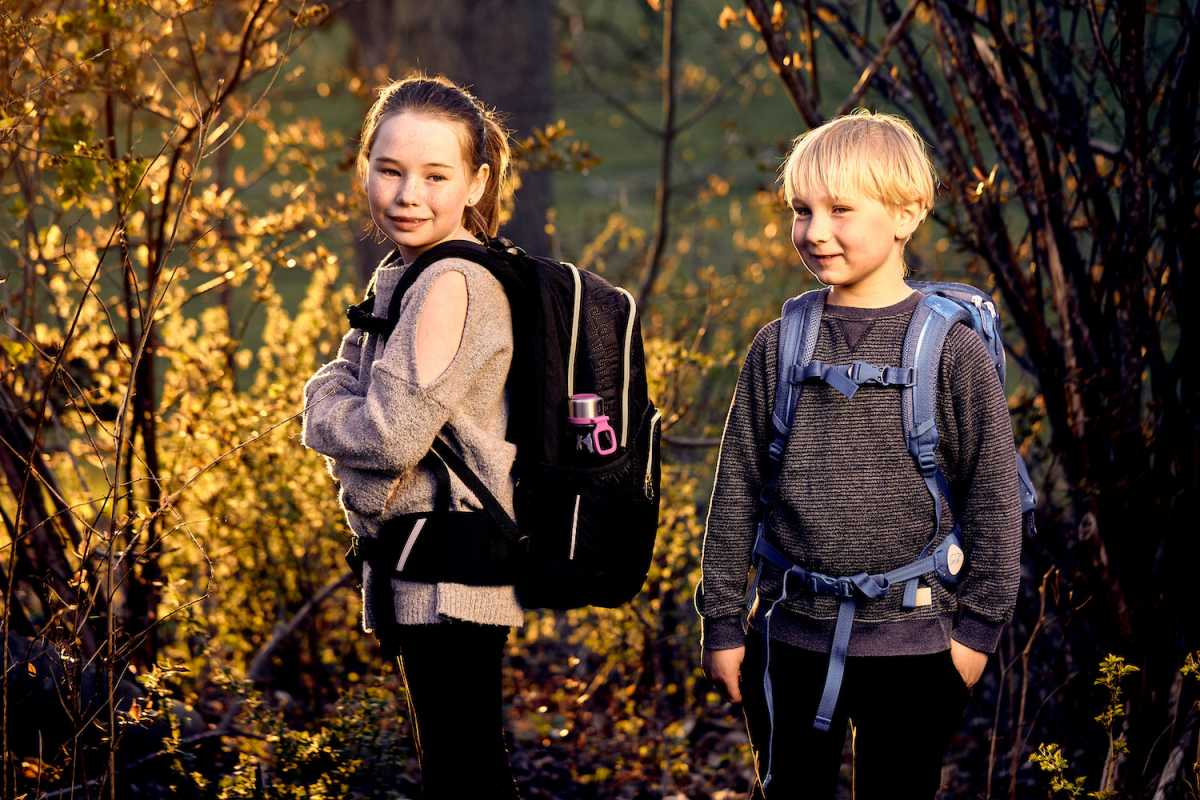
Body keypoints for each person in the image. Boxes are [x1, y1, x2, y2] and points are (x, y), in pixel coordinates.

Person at [696, 110, 1022, 798]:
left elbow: (993, 498)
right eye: (801, 209)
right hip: (791, 639)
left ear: (906, 214)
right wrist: (724, 621)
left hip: (919, 647)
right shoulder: (778, 345)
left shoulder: (952, 353)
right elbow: (737, 490)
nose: (815, 231)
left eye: (841, 209)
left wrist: (975, 636)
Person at [301, 74, 522, 799]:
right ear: (364, 164)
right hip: (430, 566)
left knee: (464, 776)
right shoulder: (406, 274)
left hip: (449, 573)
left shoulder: (450, 283)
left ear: (477, 181)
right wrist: (352, 422)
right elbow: (382, 421)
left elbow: (389, 434)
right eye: (389, 169)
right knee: (460, 767)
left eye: (435, 175)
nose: (407, 195)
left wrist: (321, 407)